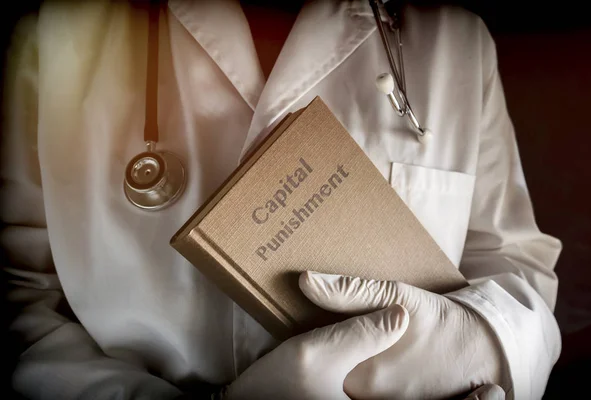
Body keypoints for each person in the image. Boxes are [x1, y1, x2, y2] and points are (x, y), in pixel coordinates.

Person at [1, 0, 561, 399]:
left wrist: (487, 343)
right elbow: (22, 303)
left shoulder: (457, 38)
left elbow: (515, 262)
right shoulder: (56, 32)